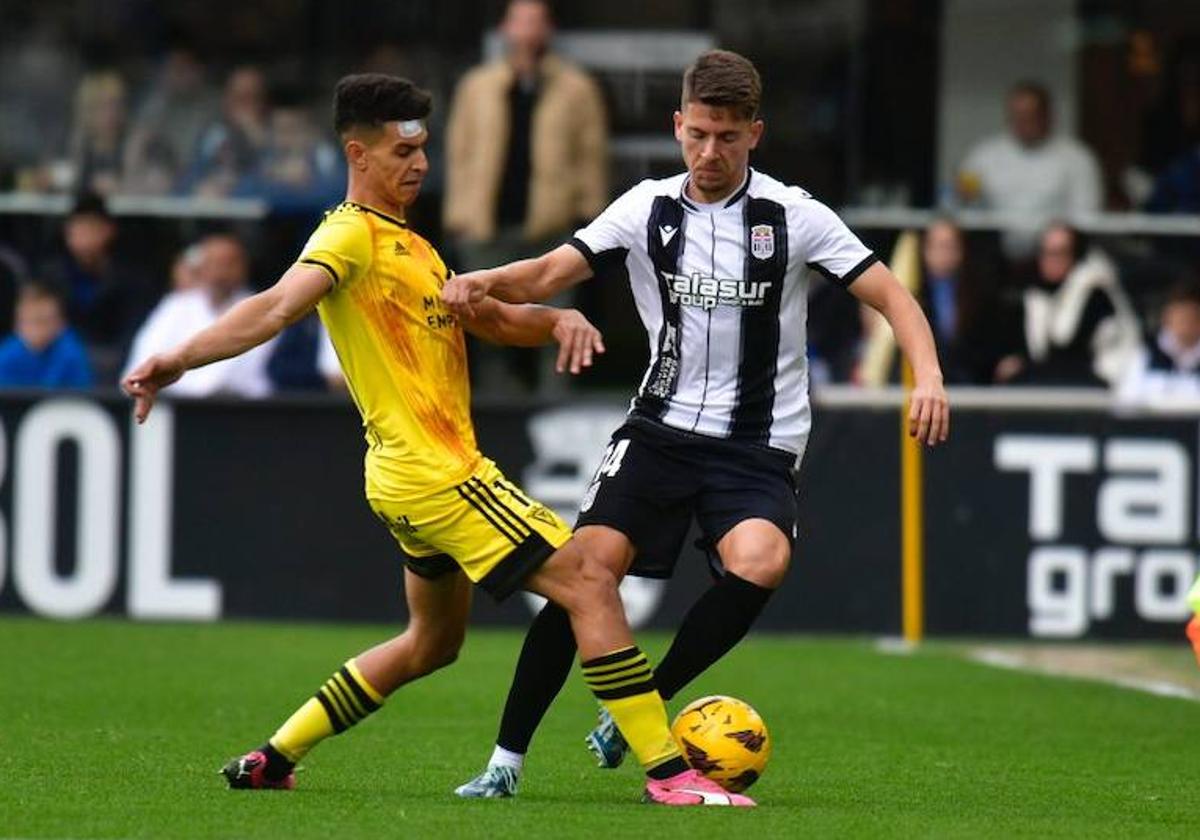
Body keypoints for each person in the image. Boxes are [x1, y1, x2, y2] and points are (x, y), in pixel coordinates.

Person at [123, 73, 746, 808]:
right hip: (436, 473)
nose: (419, 164)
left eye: (423, 149)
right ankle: (669, 775)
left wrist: (554, 320)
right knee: (587, 581)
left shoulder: (410, 247)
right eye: (400, 151)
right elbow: (273, 307)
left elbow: (484, 318)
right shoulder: (347, 235)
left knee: (432, 644)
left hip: (403, 478)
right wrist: (178, 359)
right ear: (358, 154)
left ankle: (275, 755)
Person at [443, 49, 949, 797]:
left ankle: (645, 707)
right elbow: (551, 272)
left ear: (755, 134)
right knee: (585, 574)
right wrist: (482, 279)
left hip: (757, 444)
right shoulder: (645, 207)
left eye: (728, 138)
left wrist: (929, 377)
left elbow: (895, 297)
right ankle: (504, 763)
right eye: (699, 135)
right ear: (678, 126)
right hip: (659, 429)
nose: (710, 153)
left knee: (762, 562)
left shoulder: (795, 216)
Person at [444, 0, 608, 393]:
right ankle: (496, 413)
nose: (527, 31)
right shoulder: (477, 85)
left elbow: (591, 153)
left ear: (548, 29)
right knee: (486, 329)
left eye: (535, 22)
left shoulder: (576, 87)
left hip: (549, 226)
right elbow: (459, 151)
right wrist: (458, 212)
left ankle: (554, 416)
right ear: (505, 28)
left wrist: (590, 217)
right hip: (486, 224)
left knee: (556, 325)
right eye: (520, 21)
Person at [956, 81, 1103, 259]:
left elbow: (1086, 217)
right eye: (1016, 115)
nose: (1022, 122)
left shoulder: (1078, 158)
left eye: (1029, 115)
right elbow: (963, 205)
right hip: (995, 258)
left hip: (1055, 256)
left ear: (1047, 115)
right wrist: (965, 196)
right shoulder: (982, 155)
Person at [123, 234, 275, 398]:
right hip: (177, 405)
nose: (221, 272)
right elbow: (142, 364)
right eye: (213, 263)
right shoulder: (177, 305)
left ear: (245, 267)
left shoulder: (261, 308)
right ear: (200, 267)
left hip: (244, 408)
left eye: (230, 263)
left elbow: (258, 376)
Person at [994, 222, 1141, 387]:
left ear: (1075, 255)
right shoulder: (1033, 294)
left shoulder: (1096, 294)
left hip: (1091, 389)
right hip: (1047, 384)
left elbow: (1072, 349)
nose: (1051, 260)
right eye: (1046, 252)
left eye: (1059, 252)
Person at [45, 192, 153, 382]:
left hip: (117, 371)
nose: (83, 237)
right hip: (61, 370)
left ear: (109, 230)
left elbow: (136, 334)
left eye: (91, 229)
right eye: (77, 229)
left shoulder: (132, 280)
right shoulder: (50, 278)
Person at [917, 217, 1008, 385]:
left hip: (971, 385)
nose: (943, 254)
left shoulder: (980, 292)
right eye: (937, 246)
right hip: (926, 383)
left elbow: (989, 347)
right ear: (924, 249)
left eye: (949, 246)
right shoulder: (911, 290)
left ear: (961, 250)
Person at [1117, 279, 1200, 402]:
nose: (1185, 325)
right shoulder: (1145, 353)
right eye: (1180, 318)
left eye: (1191, 318)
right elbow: (1126, 399)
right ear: (1166, 318)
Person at [0, 280, 93, 389]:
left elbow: (83, 398)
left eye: (43, 321)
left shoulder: (71, 353)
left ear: (61, 324)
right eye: (29, 321)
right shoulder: (7, 353)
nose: (36, 330)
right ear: (17, 325)